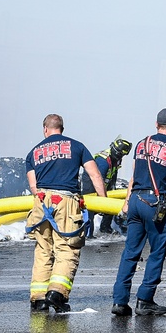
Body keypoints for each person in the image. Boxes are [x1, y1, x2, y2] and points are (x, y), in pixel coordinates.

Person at [25, 114, 107, 313]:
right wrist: (103, 201)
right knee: (67, 249)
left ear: (45, 129)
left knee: (43, 250)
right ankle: (57, 293)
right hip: (66, 202)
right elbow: (94, 174)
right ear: (62, 128)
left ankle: (39, 298)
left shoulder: (34, 152)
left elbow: (34, 187)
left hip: (42, 204)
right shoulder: (77, 147)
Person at [112, 108, 166, 317]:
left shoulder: (141, 144)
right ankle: (145, 300)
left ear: (156, 124)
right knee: (156, 252)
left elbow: (134, 177)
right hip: (155, 204)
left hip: (135, 200)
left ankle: (120, 301)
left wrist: (126, 204)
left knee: (130, 253)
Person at [81, 136, 132, 237]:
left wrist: (112, 189)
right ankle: (88, 234)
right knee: (89, 208)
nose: (122, 157)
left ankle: (105, 228)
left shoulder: (115, 159)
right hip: (91, 183)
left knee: (111, 202)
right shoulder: (103, 161)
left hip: (105, 183)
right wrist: (103, 200)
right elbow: (98, 178)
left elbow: (113, 174)